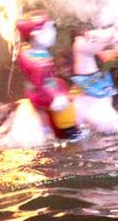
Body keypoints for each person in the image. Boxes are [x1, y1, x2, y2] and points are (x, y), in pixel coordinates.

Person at [15, 11, 79, 139]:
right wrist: (55, 97)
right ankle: (66, 132)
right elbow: (41, 85)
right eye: (49, 30)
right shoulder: (39, 63)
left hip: (38, 86)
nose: (54, 33)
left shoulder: (28, 50)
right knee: (64, 106)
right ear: (35, 35)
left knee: (62, 85)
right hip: (41, 92)